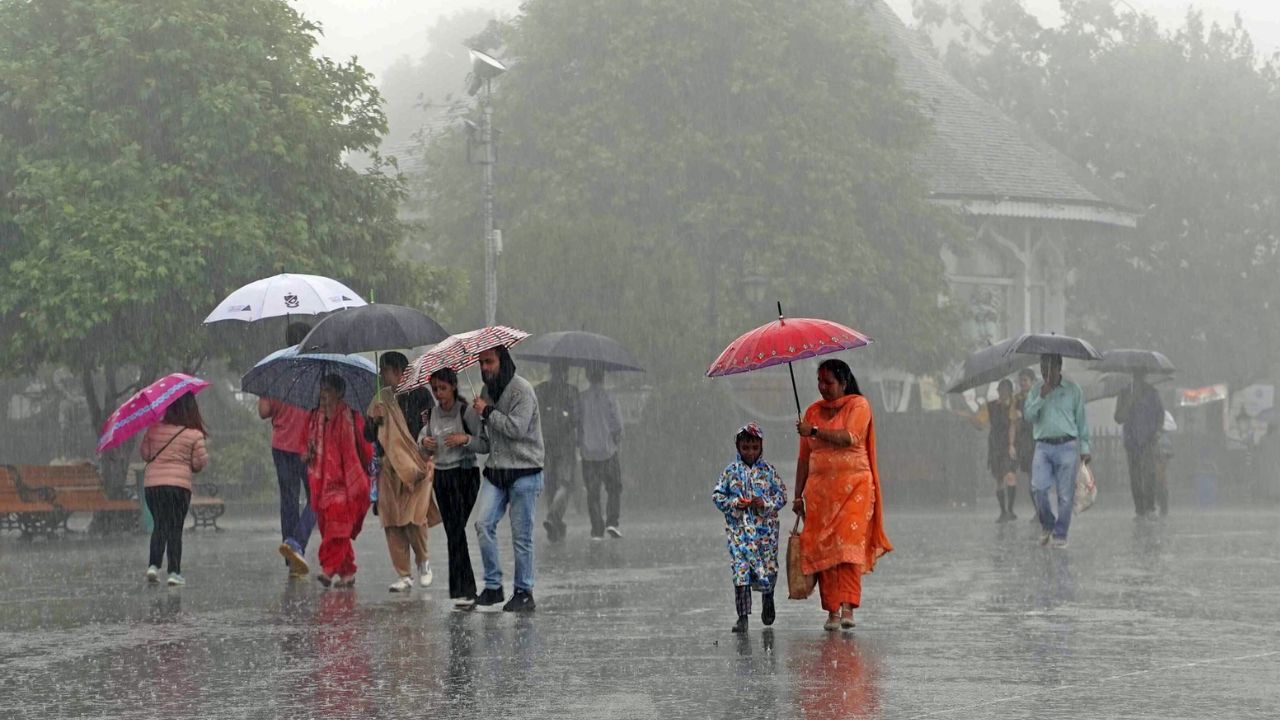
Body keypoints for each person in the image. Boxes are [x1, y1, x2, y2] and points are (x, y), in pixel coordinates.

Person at [792, 359, 893, 631]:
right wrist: (797, 496)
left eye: (829, 382)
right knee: (824, 549)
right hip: (820, 495)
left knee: (847, 548)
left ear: (844, 382)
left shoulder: (859, 405)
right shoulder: (812, 412)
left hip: (854, 490)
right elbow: (804, 459)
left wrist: (814, 431)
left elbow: (850, 437)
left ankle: (848, 607)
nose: (822, 387)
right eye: (819, 382)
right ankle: (832, 611)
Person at [472, 346, 545, 612]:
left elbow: (516, 429)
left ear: (502, 361)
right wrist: (465, 439)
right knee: (483, 524)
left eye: (489, 362)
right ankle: (493, 586)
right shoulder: (485, 392)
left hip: (525, 470)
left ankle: (524, 591)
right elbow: (485, 442)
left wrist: (487, 412)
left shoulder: (521, 390)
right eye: (481, 363)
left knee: (521, 536)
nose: (484, 368)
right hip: (496, 471)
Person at [366, 352, 439, 592]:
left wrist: (426, 453)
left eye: (385, 370)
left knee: (414, 517)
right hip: (388, 467)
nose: (381, 374)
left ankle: (423, 562)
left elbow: (430, 427)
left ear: (398, 370)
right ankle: (404, 574)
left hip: (418, 464)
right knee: (391, 520)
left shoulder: (421, 395)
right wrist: (373, 421)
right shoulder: (380, 400)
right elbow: (368, 436)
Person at [420, 367, 488, 608]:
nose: (439, 394)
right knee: (453, 531)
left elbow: (484, 444)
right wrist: (425, 443)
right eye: (435, 389)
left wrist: (464, 439)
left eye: (443, 388)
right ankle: (462, 591)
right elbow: (422, 444)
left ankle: (465, 590)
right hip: (442, 477)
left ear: (454, 387)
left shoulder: (465, 411)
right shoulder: (430, 415)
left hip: (465, 475)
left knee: (456, 529)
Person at [712, 422, 786, 634]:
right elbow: (717, 495)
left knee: (768, 568)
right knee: (741, 571)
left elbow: (782, 495)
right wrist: (735, 504)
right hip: (740, 533)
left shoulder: (768, 471)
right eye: (745, 448)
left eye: (755, 448)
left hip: (765, 534)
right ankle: (742, 616)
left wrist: (765, 503)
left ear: (761, 447)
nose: (750, 452)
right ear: (738, 447)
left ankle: (768, 597)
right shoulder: (730, 472)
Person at [305, 374, 373, 588]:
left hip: (346, 484)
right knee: (330, 528)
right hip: (322, 484)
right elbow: (304, 445)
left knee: (338, 529)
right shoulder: (315, 418)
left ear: (339, 393)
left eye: (328, 389)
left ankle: (328, 569)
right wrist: (307, 452)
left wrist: (370, 471)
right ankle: (347, 572)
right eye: (322, 389)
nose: (323, 394)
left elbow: (365, 447)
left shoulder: (351, 417)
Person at [259, 321, 315, 577]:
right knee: (317, 498)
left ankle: (291, 557)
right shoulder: (314, 369)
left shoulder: (275, 369)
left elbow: (264, 411)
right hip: (310, 445)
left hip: (281, 445)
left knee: (288, 501)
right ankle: (297, 543)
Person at [140, 393, 209, 586]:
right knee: (175, 528)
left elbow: (145, 454)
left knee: (159, 525)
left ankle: (153, 565)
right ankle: (174, 571)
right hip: (178, 488)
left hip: (153, 486)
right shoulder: (194, 434)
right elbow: (198, 463)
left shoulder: (154, 429)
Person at [1023, 354, 1090, 549]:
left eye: (1050, 369)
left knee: (1065, 495)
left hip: (1067, 446)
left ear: (1059, 368)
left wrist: (1085, 447)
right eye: (1043, 369)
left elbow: (1081, 420)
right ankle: (1047, 524)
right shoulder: (1036, 389)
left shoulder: (1073, 390)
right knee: (1039, 489)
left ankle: (1061, 533)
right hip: (1043, 446)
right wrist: (1041, 397)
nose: (1047, 374)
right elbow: (1028, 416)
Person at [535, 361, 579, 542]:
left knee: (551, 483)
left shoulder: (540, 390)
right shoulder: (571, 391)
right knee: (565, 483)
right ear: (565, 373)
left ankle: (556, 525)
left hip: (545, 443)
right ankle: (553, 517)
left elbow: (534, 416)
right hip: (565, 444)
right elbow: (576, 418)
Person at [579, 365, 625, 540]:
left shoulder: (581, 398)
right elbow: (618, 424)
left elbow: (577, 421)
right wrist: (616, 439)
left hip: (588, 453)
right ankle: (612, 521)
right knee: (614, 487)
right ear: (603, 377)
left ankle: (597, 529)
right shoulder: (610, 397)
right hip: (608, 451)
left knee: (593, 492)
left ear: (588, 376)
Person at [1114, 372, 1165, 519]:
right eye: (1136, 376)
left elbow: (1160, 414)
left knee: (1150, 474)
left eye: (1141, 375)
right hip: (1132, 441)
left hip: (1149, 439)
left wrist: (1157, 431)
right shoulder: (1124, 393)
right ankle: (1140, 509)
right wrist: (1129, 402)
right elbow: (1118, 417)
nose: (1139, 379)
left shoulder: (1152, 393)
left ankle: (1150, 507)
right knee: (1135, 476)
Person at [987, 379, 1019, 522]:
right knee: (999, 478)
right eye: (1000, 390)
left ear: (1010, 391)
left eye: (1006, 390)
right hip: (995, 444)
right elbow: (980, 422)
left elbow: (1013, 424)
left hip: (1008, 444)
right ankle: (1003, 511)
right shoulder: (991, 406)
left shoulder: (1014, 405)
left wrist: (1011, 444)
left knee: (1010, 475)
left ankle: (1010, 509)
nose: (1003, 392)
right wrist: (968, 415)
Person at [1013, 368, 1038, 522]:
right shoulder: (1017, 400)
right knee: (1031, 478)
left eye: (1025, 380)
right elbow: (1014, 423)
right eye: (1020, 380)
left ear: (1032, 382)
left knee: (1037, 478)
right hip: (1025, 441)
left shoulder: (1038, 398)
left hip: (1038, 440)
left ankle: (1042, 510)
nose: (1022, 383)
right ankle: (1038, 511)